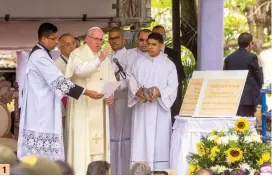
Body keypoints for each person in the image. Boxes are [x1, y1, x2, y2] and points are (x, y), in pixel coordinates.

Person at [17, 23, 104, 161]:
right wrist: (88, 93)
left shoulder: (42, 54)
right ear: (44, 38)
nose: (57, 41)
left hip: (41, 107)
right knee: (42, 155)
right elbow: (60, 83)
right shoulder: (40, 56)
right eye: (54, 38)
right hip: (41, 111)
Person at [65, 27, 116, 174]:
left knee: (99, 143)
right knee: (82, 142)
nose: (98, 42)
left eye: (101, 39)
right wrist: (99, 59)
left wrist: (110, 94)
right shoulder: (77, 53)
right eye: (95, 39)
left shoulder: (104, 56)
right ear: (87, 38)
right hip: (82, 105)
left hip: (100, 106)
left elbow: (110, 78)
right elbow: (80, 71)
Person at [128, 33, 178, 171]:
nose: (149, 47)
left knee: (159, 141)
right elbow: (131, 80)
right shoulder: (139, 62)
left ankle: (159, 171)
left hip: (159, 110)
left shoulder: (169, 64)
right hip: (142, 109)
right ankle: (139, 171)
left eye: (153, 44)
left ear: (161, 45)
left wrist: (159, 92)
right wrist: (137, 92)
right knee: (141, 139)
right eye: (148, 44)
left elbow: (173, 86)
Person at [107, 27, 132, 175]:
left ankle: (123, 170)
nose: (113, 41)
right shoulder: (106, 56)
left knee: (123, 133)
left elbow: (131, 79)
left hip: (123, 99)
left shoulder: (130, 56)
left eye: (116, 38)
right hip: (107, 100)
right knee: (110, 134)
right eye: (110, 38)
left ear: (124, 39)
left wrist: (116, 84)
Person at [224, 32, 263, 117]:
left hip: (232, 97)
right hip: (248, 98)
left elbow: (225, 77)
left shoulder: (228, 58)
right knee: (246, 124)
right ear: (250, 44)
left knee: (234, 124)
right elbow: (258, 76)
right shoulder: (252, 57)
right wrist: (259, 88)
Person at [152, 25, 185, 125]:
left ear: (165, 36)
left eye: (160, 34)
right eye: (155, 35)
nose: (158, 37)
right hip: (152, 96)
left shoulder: (173, 54)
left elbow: (180, 75)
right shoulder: (147, 55)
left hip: (169, 94)